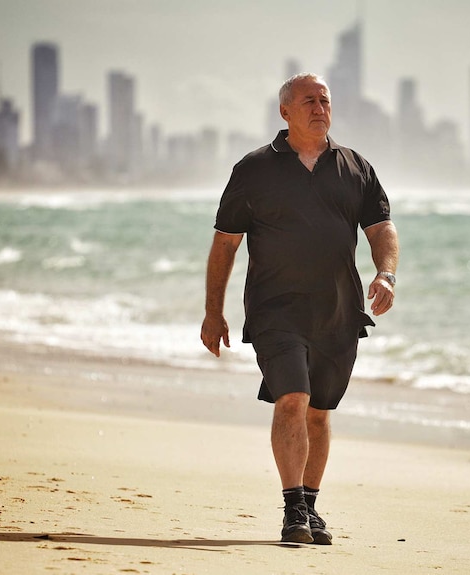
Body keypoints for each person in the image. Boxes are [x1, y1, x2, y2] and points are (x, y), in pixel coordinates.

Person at [200, 73, 399, 545]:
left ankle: (310, 505)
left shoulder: (355, 167)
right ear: (285, 111)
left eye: (325, 100)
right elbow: (226, 243)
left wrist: (386, 273)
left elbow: (381, 229)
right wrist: (214, 311)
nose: (319, 108)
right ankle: (293, 510)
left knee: (320, 412)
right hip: (276, 310)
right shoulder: (254, 169)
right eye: (309, 100)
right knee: (292, 398)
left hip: (339, 312)